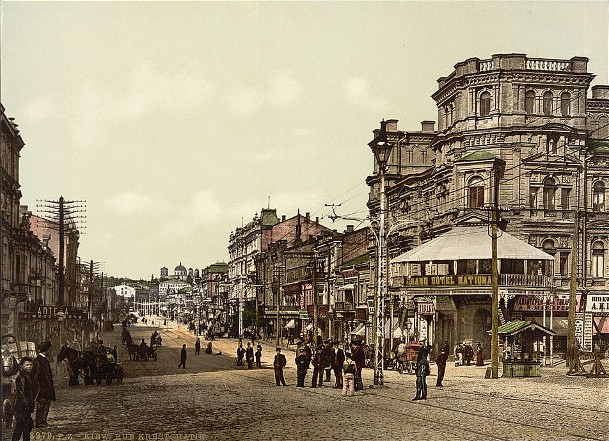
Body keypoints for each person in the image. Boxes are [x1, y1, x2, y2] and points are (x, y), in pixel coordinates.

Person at [32, 341, 55, 428]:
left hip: (47, 387)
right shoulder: (38, 361)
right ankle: (38, 422)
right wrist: (38, 387)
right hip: (42, 388)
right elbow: (36, 376)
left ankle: (44, 421)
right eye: (49, 349)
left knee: (47, 404)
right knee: (41, 405)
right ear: (46, 350)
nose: (50, 351)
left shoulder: (44, 359)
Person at [12, 357, 34, 441]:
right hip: (22, 406)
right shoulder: (21, 377)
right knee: (21, 427)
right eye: (27, 365)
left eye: (30, 365)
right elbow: (20, 393)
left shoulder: (28, 375)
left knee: (26, 427)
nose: (29, 367)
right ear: (21, 366)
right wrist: (26, 404)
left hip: (26, 406)